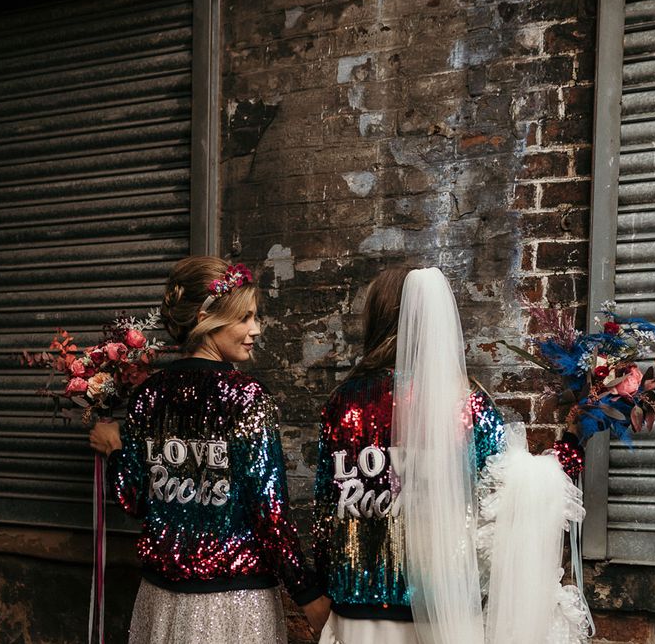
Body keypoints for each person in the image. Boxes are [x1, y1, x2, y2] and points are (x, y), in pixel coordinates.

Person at [313, 267, 590, 644]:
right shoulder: (464, 402)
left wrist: (322, 586)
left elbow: (325, 509)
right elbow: (508, 492)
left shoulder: (342, 401)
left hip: (356, 607)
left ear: (377, 319)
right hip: (441, 610)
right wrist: (571, 447)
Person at [90, 255, 330, 644]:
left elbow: (133, 500)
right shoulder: (247, 397)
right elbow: (269, 511)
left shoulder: (148, 395)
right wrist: (307, 593)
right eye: (245, 317)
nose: (257, 329)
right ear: (207, 318)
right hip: (234, 602)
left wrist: (116, 449)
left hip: (160, 600)